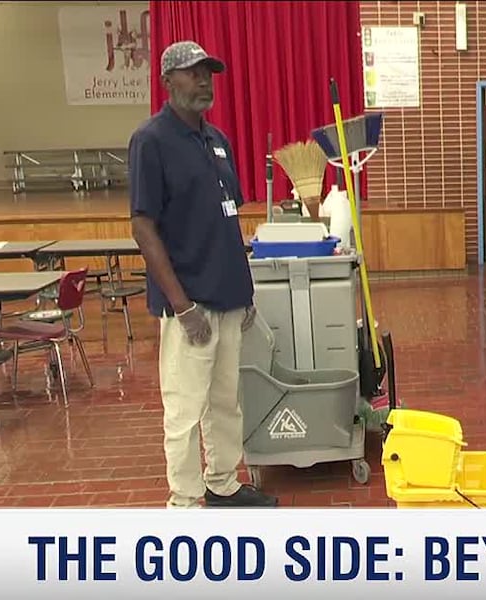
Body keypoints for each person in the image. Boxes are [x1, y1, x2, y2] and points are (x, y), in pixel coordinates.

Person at [128, 40, 277, 509]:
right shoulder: (151, 141)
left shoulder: (217, 142)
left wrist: (245, 291)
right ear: (167, 81)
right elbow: (142, 226)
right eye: (192, 73)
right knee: (185, 409)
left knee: (224, 403)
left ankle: (222, 482)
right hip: (189, 304)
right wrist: (181, 305)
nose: (203, 81)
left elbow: (226, 218)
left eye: (207, 72)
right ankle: (185, 501)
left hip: (228, 296)